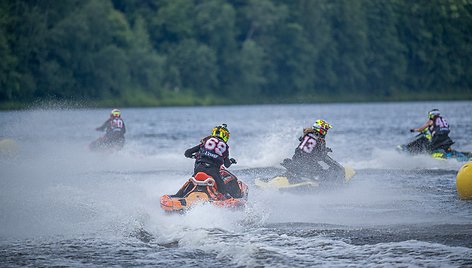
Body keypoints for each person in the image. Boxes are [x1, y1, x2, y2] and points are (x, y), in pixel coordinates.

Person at [180, 124, 239, 197]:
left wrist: (193, 156)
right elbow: (227, 164)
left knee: (191, 183)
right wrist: (231, 161)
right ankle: (225, 198)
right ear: (225, 136)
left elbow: (187, 153)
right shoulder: (224, 146)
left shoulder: (206, 140)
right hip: (212, 171)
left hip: (199, 168)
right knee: (223, 189)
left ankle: (179, 195)